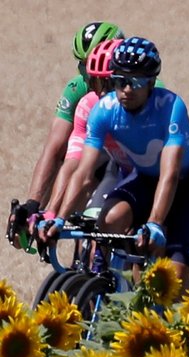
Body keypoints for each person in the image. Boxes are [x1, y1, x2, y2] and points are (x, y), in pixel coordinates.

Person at [47, 37, 189, 287]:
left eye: (135, 82)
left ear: (152, 83)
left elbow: (170, 174)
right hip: (146, 177)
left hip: (187, 184)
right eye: (119, 81)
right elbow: (83, 173)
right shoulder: (104, 110)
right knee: (110, 219)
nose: (126, 89)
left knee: (172, 282)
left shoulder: (170, 106)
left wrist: (155, 222)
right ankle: (111, 280)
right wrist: (59, 218)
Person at [14, 22, 123, 239]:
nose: (89, 75)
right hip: (97, 158)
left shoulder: (141, 91)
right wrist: (34, 207)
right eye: (82, 66)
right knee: (87, 226)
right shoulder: (80, 92)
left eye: (93, 64)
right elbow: (57, 151)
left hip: (132, 165)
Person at [39, 38, 134, 233]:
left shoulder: (145, 108)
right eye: (96, 83)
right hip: (121, 171)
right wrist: (54, 214)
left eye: (109, 84)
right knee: (94, 228)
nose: (102, 94)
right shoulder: (91, 106)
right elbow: (76, 167)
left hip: (160, 178)